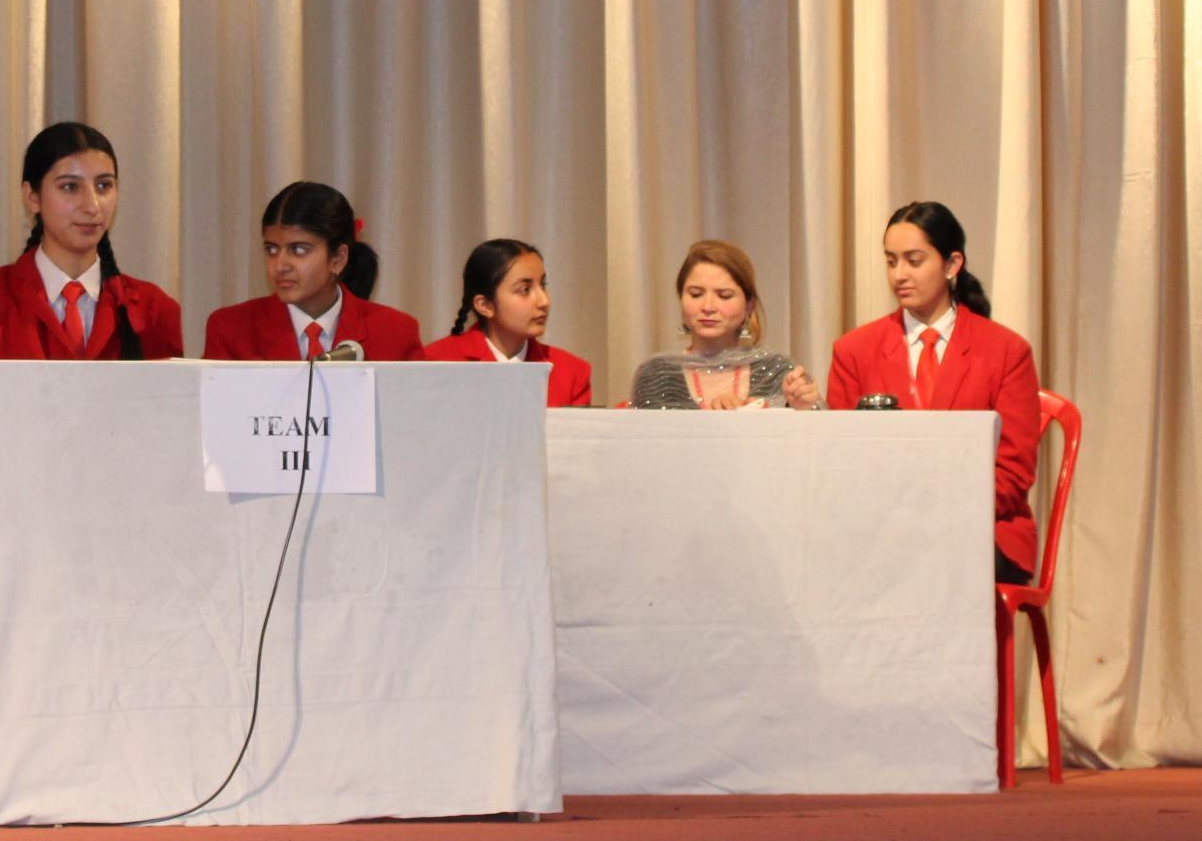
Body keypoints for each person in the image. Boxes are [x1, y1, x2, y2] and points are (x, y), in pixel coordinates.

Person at [0, 122, 185, 498]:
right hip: (16, 518)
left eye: (104, 185)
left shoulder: (153, 308)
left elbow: (167, 442)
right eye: (70, 187)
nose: (92, 205)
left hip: (122, 518)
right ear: (32, 196)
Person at [826, 201, 1042, 583]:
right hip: (881, 532)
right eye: (891, 262)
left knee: (926, 562)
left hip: (983, 528)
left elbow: (1013, 473)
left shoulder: (1006, 352)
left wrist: (932, 514)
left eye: (914, 261)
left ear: (952, 264)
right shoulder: (854, 351)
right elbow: (844, 460)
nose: (899, 275)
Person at [201, 181, 422, 360]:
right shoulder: (231, 329)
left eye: (298, 250)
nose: (280, 265)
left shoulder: (396, 332)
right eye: (271, 249)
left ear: (338, 258)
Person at [627, 238, 817, 410]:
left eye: (724, 296)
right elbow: (637, 435)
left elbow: (814, 433)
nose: (708, 307)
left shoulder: (777, 370)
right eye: (696, 294)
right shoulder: (656, 375)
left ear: (749, 304)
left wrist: (800, 407)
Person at [417, 238, 591, 407]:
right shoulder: (434, 363)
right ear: (485, 305)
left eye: (543, 285)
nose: (544, 301)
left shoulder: (572, 372)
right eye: (524, 290)